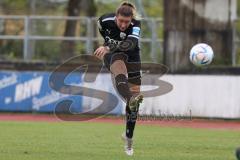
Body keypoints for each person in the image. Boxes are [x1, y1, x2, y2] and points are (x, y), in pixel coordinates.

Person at [94, 1, 143, 156]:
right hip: (112, 55)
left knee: (134, 105)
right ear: (116, 17)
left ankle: (128, 138)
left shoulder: (136, 24)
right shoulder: (103, 20)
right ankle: (131, 98)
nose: (123, 24)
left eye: (126, 22)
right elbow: (104, 33)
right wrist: (107, 47)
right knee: (118, 67)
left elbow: (131, 43)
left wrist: (109, 45)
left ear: (131, 20)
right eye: (120, 20)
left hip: (133, 56)